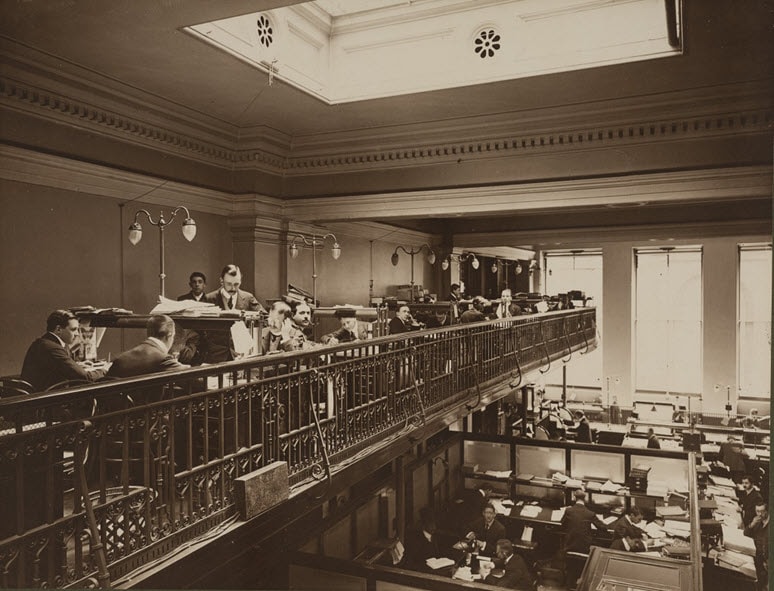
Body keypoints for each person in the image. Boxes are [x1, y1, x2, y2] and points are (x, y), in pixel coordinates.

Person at [182, 264, 266, 363]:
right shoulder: (209, 299)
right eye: (229, 284)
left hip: (242, 354)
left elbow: (264, 318)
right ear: (221, 281)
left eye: (237, 284)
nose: (233, 288)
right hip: (215, 355)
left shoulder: (248, 297)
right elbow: (199, 328)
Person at [21, 310, 106, 391]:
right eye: (73, 329)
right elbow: (86, 377)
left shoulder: (45, 342)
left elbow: (57, 367)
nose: (77, 334)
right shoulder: (53, 348)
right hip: (47, 400)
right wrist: (105, 370)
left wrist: (76, 365)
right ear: (58, 329)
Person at [108, 315, 188, 377]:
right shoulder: (162, 359)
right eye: (173, 336)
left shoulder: (121, 358)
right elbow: (193, 377)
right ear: (169, 335)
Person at [561, 489, 608, 554]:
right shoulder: (590, 513)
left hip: (569, 545)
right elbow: (603, 528)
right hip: (584, 547)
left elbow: (562, 525)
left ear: (574, 498)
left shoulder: (568, 511)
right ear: (584, 499)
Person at [402, 507, 442, 572]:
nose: (434, 527)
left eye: (435, 523)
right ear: (424, 524)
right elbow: (412, 561)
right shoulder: (416, 540)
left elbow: (436, 554)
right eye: (431, 524)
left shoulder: (433, 536)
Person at [743, 503, 769, 591]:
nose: (759, 514)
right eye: (757, 511)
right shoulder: (757, 522)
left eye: (762, 511)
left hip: (765, 562)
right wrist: (752, 524)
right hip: (756, 557)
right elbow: (745, 534)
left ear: (767, 511)